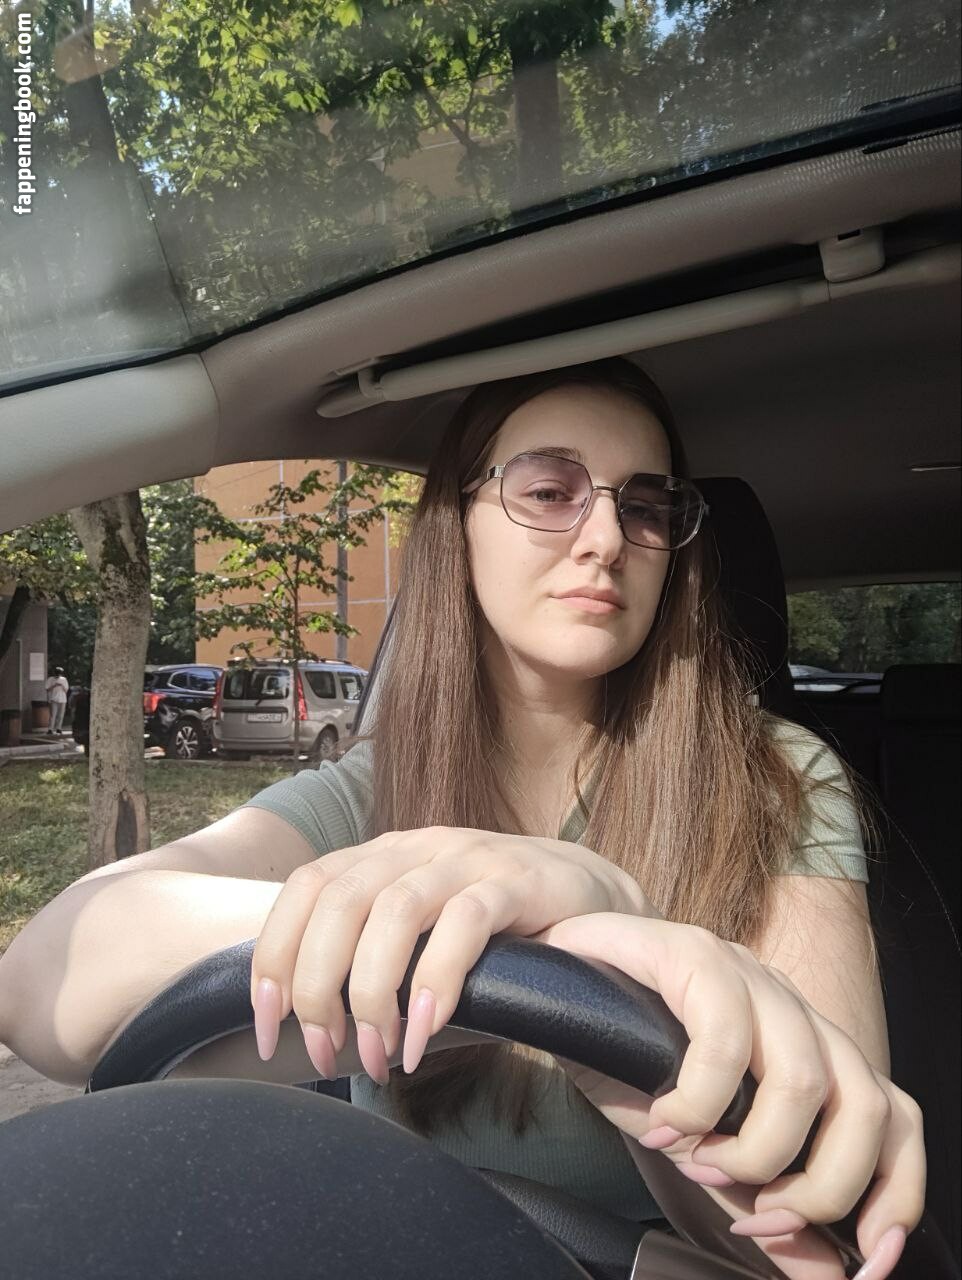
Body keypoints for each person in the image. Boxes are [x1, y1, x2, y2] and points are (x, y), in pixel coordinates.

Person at [0, 360, 922, 1280]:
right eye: (551, 491)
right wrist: (494, 938)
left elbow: (821, 1234)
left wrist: (617, 987)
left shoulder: (778, 779)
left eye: (646, 508)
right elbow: (45, 986)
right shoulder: (370, 789)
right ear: (458, 523)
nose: (607, 538)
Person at [44, 666, 69, 735]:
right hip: (54, 699)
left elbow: (66, 690)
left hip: (63, 699)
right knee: (53, 715)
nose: (58, 675)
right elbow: (47, 689)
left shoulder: (64, 679)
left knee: (61, 715)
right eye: (57, 673)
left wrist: (62, 685)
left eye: (59, 673)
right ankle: (50, 729)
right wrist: (54, 685)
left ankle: (59, 728)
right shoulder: (50, 679)